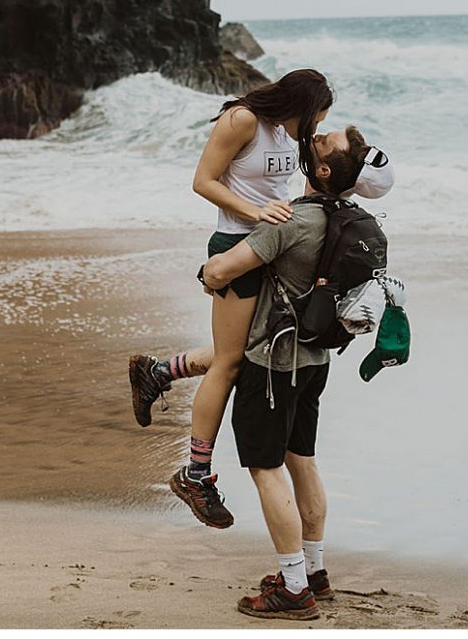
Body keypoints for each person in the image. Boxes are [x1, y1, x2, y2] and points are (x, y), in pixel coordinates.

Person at [121, 69, 333, 528]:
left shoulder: (288, 133)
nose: (313, 130)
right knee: (232, 364)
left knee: (246, 354)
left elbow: (291, 191)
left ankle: (157, 372)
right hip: (237, 247)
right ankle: (195, 473)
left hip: (274, 250)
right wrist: (254, 212)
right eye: (313, 119)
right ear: (297, 105)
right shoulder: (243, 120)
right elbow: (204, 180)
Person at [197, 133, 372, 619]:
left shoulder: (292, 220)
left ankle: (293, 588)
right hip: (316, 361)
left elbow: (223, 272)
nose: (315, 135)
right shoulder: (353, 221)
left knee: (266, 468)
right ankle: (314, 571)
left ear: (321, 172)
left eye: (324, 141)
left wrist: (209, 267)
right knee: (303, 461)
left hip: (272, 366)